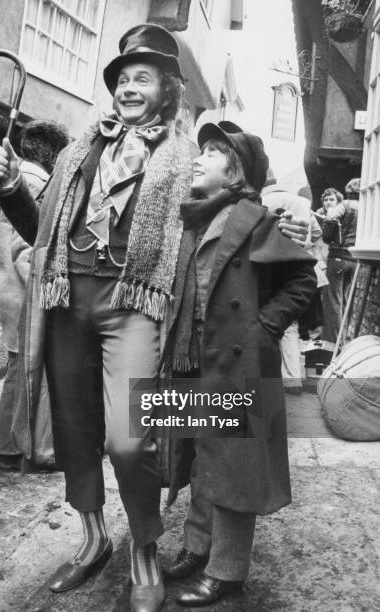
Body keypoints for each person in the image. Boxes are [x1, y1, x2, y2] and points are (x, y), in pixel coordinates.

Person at [0, 24, 309, 612]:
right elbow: (43, 231)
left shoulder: (187, 158)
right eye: (124, 79)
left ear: (168, 90)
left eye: (145, 78)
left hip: (133, 306)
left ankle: (143, 549)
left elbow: (222, 221)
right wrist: (10, 189)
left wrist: (252, 319)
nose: (131, 88)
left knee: (129, 440)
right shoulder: (76, 151)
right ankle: (93, 540)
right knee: (75, 431)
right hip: (66, 300)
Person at [162, 123, 317, 607]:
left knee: (234, 467)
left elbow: (303, 280)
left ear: (235, 170)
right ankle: (197, 546)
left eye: (211, 152)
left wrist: (263, 328)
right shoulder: (191, 217)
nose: (198, 157)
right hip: (194, 357)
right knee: (198, 457)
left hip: (240, 361)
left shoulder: (254, 219)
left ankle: (227, 570)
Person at [0, 119, 69, 470]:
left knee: (16, 369)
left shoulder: (23, 176)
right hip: (24, 294)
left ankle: (10, 445)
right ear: (52, 152)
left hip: (10, 291)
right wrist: (45, 287)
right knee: (21, 373)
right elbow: (27, 248)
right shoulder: (37, 181)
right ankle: (9, 448)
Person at [262, 178, 325, 394]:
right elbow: (316, 233)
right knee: (293, 324)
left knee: (270, 322)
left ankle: (272, 379)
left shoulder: (260, 200)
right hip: (302, 265)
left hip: (269, 266)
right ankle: (292, 378)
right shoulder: (302, 203)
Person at [318, 182, 359, 346]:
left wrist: (328, 237)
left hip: (338, 257)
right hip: (355, 259)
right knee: (346, 300)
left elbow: (330, 217)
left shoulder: (345, 205)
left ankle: (332, 342)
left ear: (348, 191)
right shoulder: (367, 207)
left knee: (333, 301)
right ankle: (345, 339)